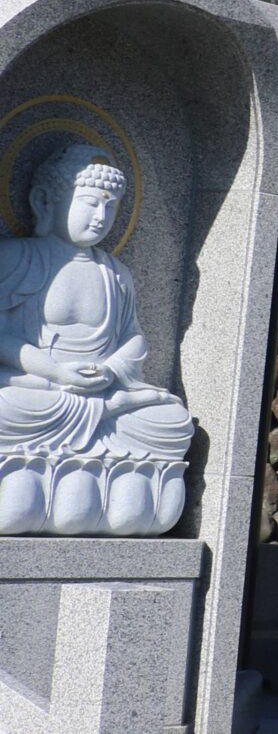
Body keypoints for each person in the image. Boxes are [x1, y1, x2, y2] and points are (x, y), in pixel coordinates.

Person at [0, 141, 193, 534]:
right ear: (45, 201)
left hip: (102, 390)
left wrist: (109, 370)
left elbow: (134, 339)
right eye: (90, 203)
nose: (101, 216)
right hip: (36, 388)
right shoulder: (17, 257)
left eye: (111, 207)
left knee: (172, 422)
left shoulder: (115, 272)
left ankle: (108, 419)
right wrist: (57, 374)